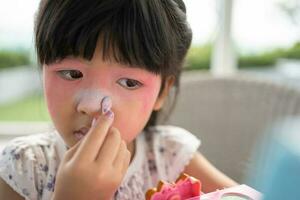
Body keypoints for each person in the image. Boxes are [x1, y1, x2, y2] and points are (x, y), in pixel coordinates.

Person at [0, 0, 237, 199]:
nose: (92, 105)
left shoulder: (170, 155)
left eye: (129, 83)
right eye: (72, 74)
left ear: (163, 91)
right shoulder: (23, 167)